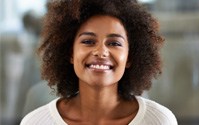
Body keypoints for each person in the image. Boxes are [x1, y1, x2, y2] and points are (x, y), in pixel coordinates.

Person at [21, 0, 178, 124]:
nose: (101, 52)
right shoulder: (36, 122)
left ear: (129, 57)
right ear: (70, 53)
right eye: (88, 41)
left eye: (114, 43)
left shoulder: (159, 121)